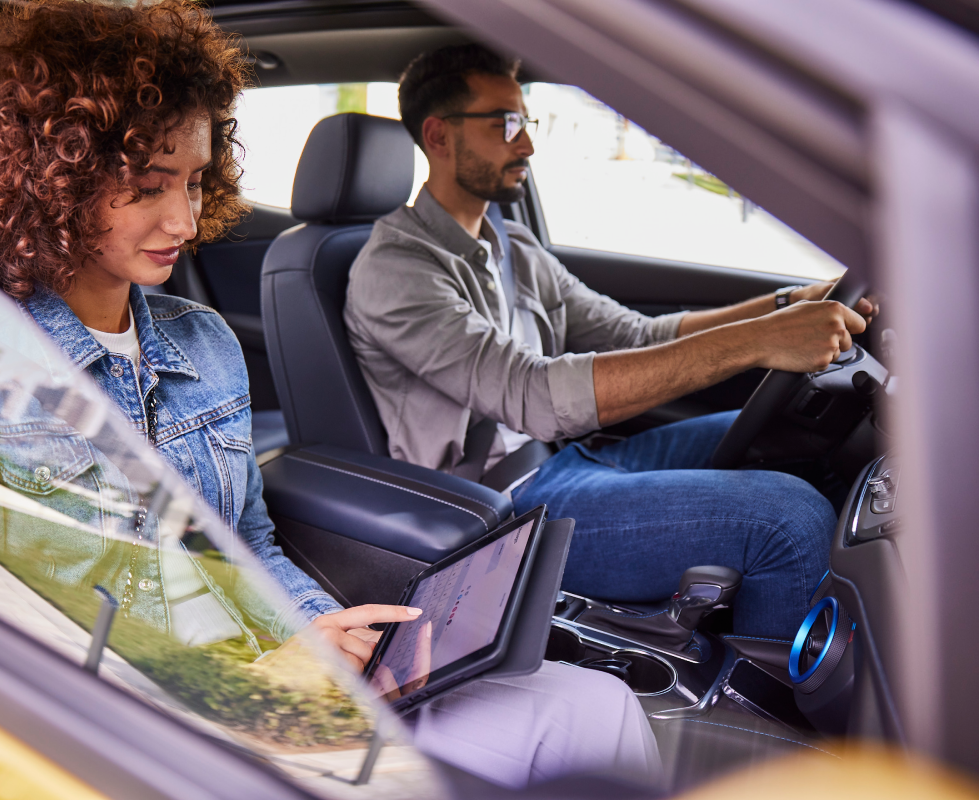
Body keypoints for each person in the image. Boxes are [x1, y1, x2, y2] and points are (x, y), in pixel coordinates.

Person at [0, 1, 660, 788]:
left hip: (277, 683)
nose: (185, 217)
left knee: (597, 704)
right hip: (125, 726)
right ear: (50, 181)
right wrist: (243, 686)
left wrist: (318, 628)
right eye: (147, 185)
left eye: (196, 179)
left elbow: (247, 545)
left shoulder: (202, 341)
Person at [345, 44, 876, 640]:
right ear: (439, 136)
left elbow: (636, 334)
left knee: (801, 439)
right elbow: (535, 397)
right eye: (506, 124)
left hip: (570, 459)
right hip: (503, 509)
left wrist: (789, 305)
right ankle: (774, 713)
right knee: (788, 518)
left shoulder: (511, 246)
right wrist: (757, 341)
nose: (527, 144)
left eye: (527, 122)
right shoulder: (396, 270)